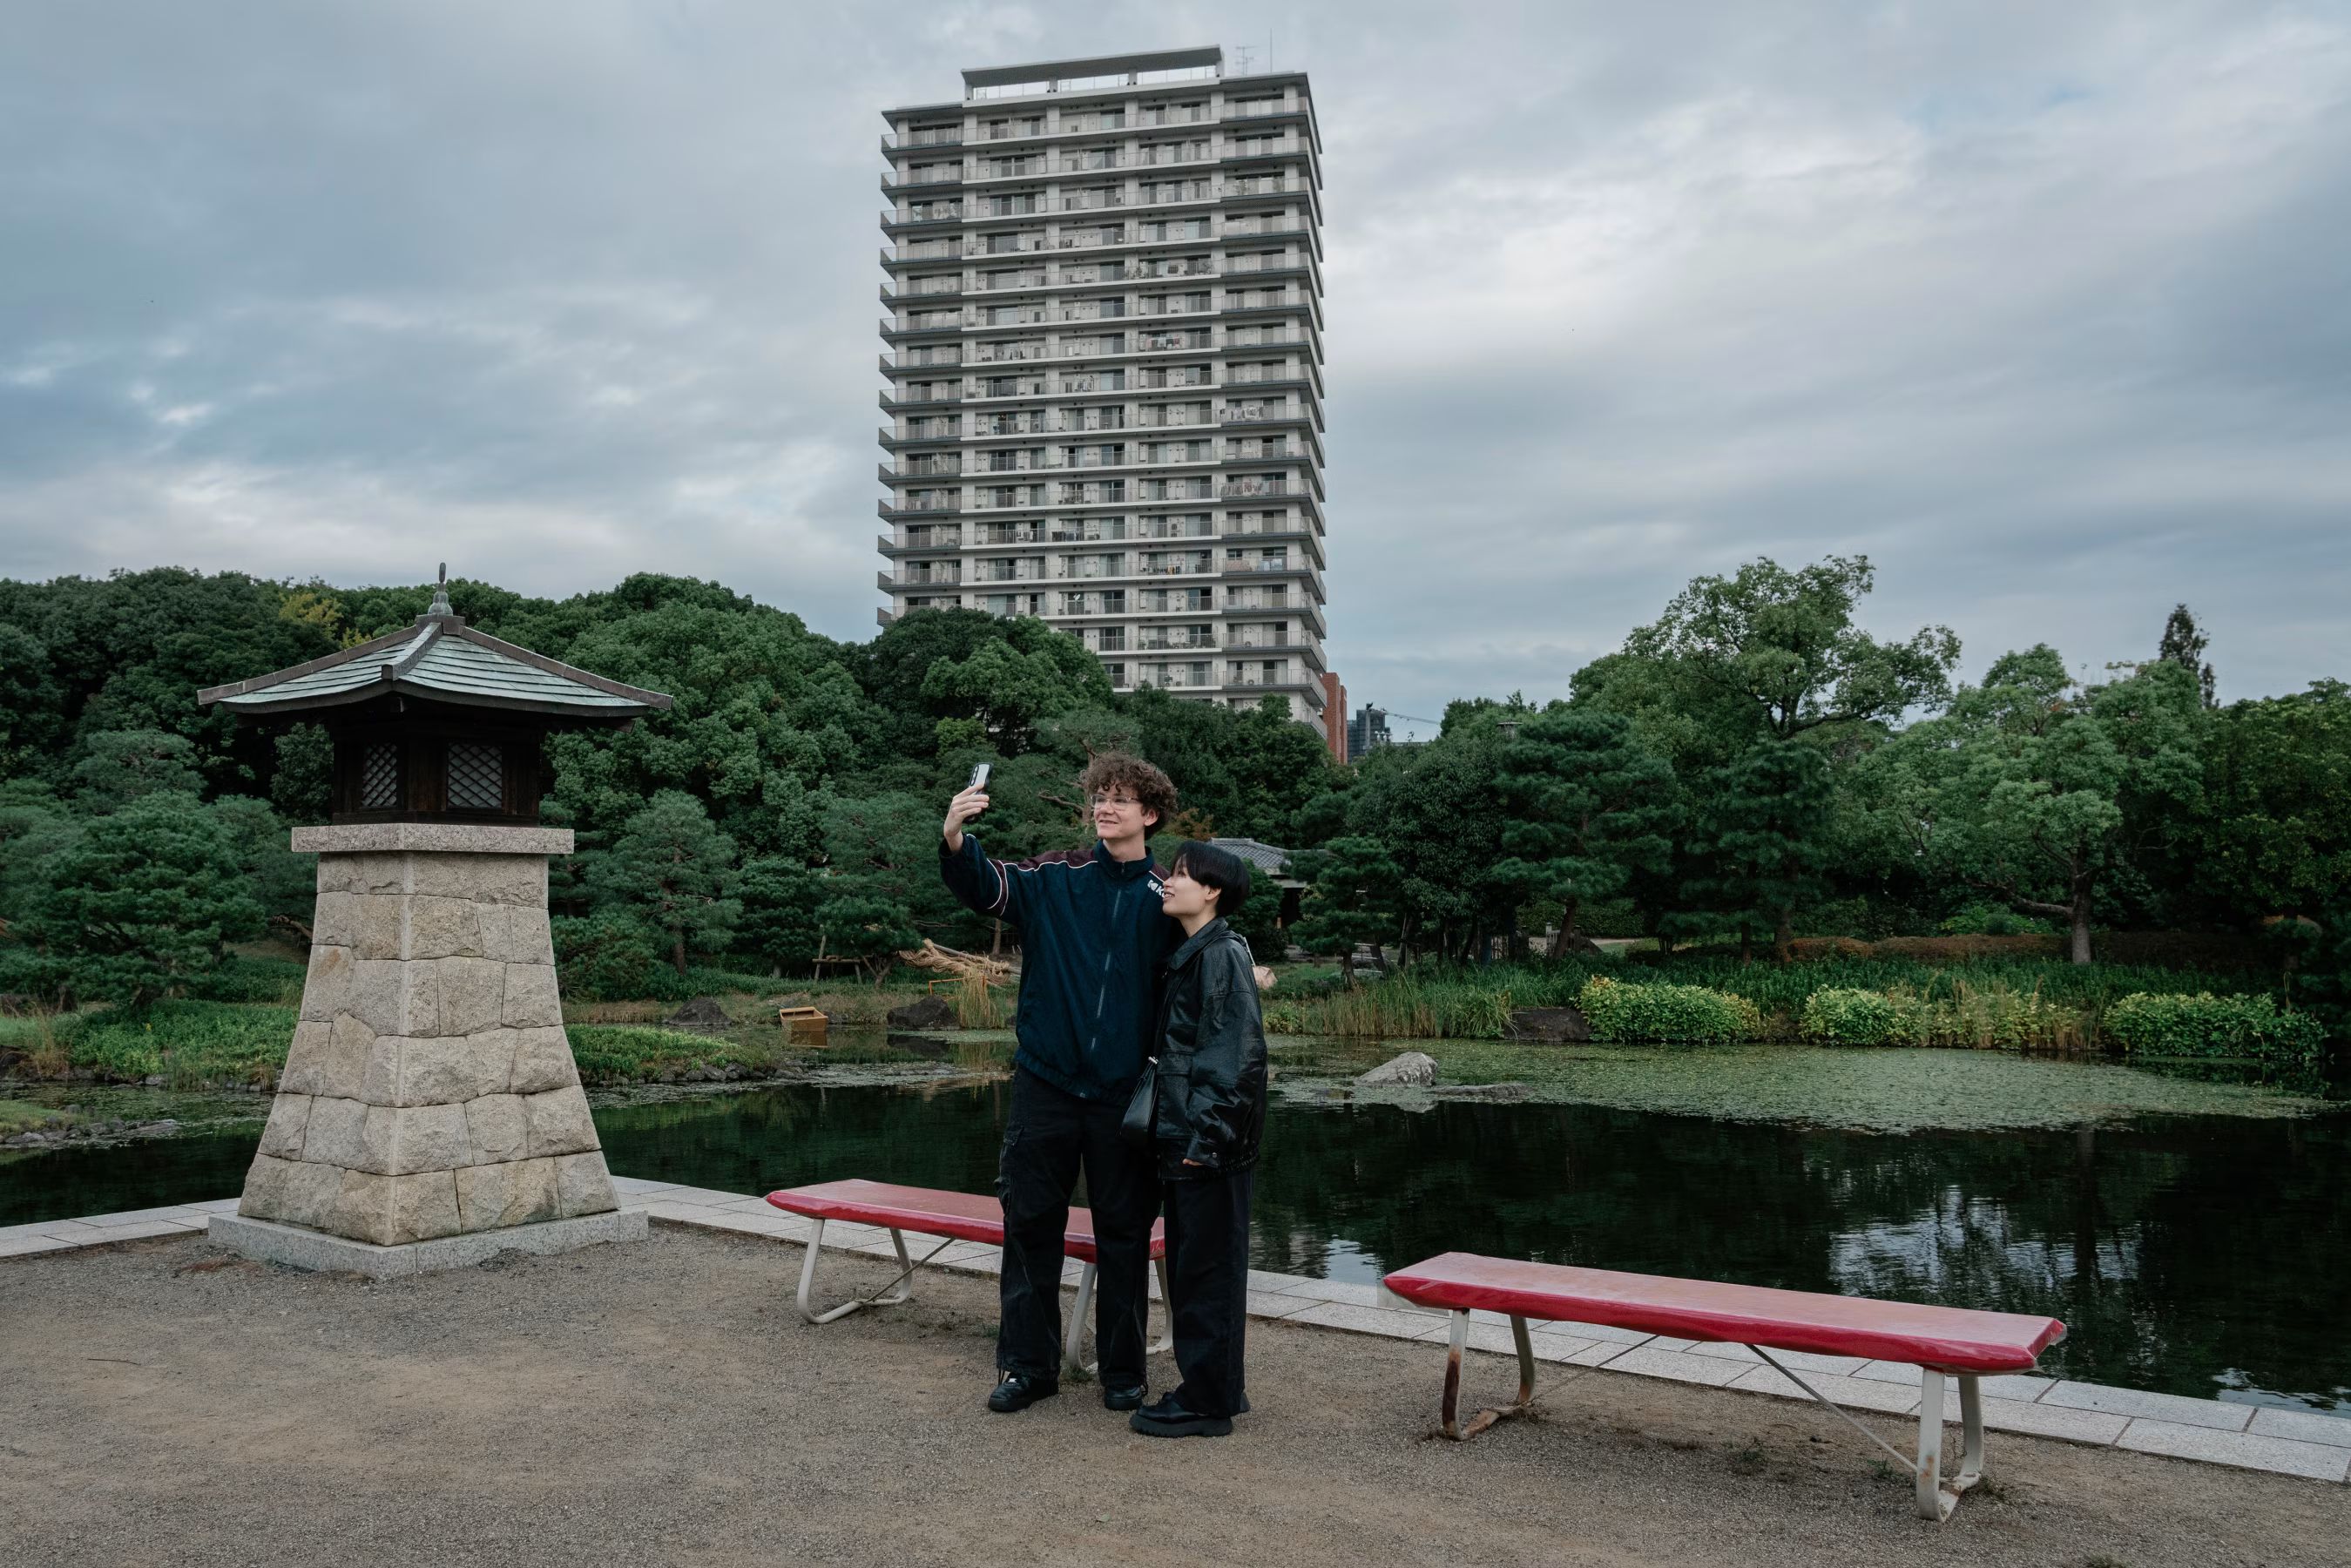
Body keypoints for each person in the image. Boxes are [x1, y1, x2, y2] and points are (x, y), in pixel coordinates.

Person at [939, 752, 1181, 1415]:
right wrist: (956, 835)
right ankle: (1027, 1367)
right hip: (1045, 1084)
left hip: (1124, 1096)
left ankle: (1124, 1373)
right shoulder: (1055, 875)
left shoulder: (1166, 896)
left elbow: (1200, 972)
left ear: (1149, 815)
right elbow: (985, 887)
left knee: (1125, 1235)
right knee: (1030, 1227)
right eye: (1100, 797)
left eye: (1121, 800)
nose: (1105, 807)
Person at [1129, 841, 1268, 1439]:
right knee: (1194, 1267)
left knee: (1207, 1272)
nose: (1169, 881)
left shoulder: (1221, 955)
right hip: (1189, 1134)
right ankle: (1207, 1390)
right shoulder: (1195, 952)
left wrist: (1206, 1140)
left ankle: (1207, 1403)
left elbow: (1236, 1058)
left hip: (1205, 1142)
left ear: (1210, 891)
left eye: (1181, 875)